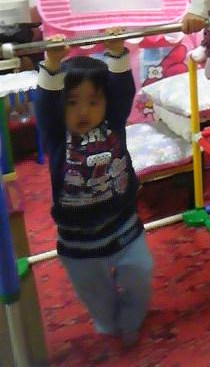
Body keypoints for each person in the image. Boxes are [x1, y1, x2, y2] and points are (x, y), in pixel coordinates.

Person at [34, 31, 153, 347]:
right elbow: (45, 107)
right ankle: (109, 322)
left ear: (106, 103)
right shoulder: (57, 135)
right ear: (61, 106)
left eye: (93, 101)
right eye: (72, 103)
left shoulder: (112, 122)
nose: (84, 112)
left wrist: (116, 54)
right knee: (95, 295)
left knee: (140, 274)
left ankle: (131, 319)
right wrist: (52, 64)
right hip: (78, 239)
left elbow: (123, 92)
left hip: (123, 224)